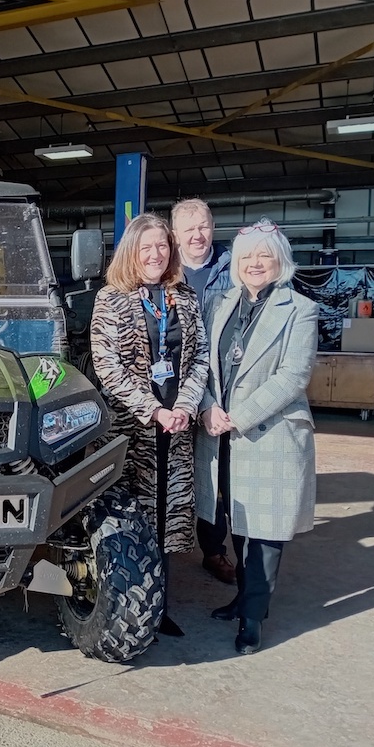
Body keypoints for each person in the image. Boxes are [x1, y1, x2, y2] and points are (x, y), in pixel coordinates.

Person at [195, 218, 318, 655]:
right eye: (247, 257)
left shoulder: (299, 308)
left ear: (279, 260)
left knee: (265, 536)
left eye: (264, 255)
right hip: (223, 434)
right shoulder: (222, 303)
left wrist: (238, 416)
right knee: (239, 525)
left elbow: (293, 376)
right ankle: (243, 599)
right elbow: (202, 364)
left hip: (268, 436)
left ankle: (253, 620)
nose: (254, 264)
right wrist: (208, 405)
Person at [90, 213, 210, 637]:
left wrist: (186, 405)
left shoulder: (185, 297)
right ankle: (128, 608)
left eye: (162, 246)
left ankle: (161, 606)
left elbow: (200, 358)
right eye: (147, 247)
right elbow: (107, 367)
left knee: (167, 516)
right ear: (131, 252)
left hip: (176, 426)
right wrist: (152, 409)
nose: (156, 254)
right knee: (133, 518)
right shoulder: (111, 299)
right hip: (131, 427)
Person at [170, 198, 236, 585]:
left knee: (218, 476)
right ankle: (164, 551)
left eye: (204, 226)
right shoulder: (165, 272)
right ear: (175, 235)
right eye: (188, 229)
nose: (198, 235)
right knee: (174, 474)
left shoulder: (234, 269)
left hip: (221, 392)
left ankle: (214, 550)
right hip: (173, 395)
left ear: (213, 227)